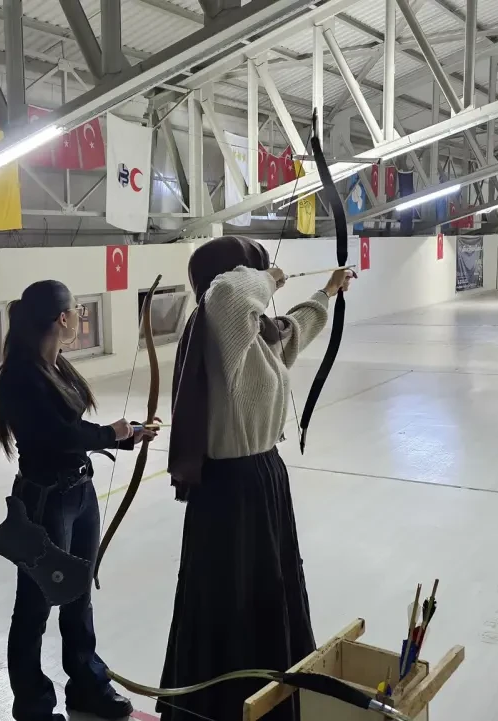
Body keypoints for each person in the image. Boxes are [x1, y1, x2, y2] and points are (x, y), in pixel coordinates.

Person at [159, 236, 353, 721]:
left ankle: (271, 698)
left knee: (271, 591)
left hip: (263, 479)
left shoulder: (253, 336)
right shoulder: (218, 322)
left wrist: (328, 292)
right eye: (255, 270)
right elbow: (226, 293)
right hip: (230, 491)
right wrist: (268, 276)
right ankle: (220, 707)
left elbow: (295, 331)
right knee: (231, 599)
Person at [0, 280, 157, 721]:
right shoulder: (21, 374)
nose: (82, 316)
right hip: (45, 501)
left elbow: (72, 432)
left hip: (78, 493)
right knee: (36, 603)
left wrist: (127, 437)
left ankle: (85, 684)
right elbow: (55, 435)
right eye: (77, 310)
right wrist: (111, 434)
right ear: (61, 319)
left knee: (78, 593)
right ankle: (33, 706)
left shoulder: (55, 364)